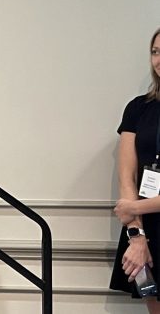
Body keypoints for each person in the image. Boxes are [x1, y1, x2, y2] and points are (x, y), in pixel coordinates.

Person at [111, 27, 160, 309]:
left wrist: (134, 208)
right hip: (147, 228)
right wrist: (136, 237)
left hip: (140, 210)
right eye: (155, 52)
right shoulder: (138, 108)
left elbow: (129, 203)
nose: (159, 59)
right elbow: (127, 178)